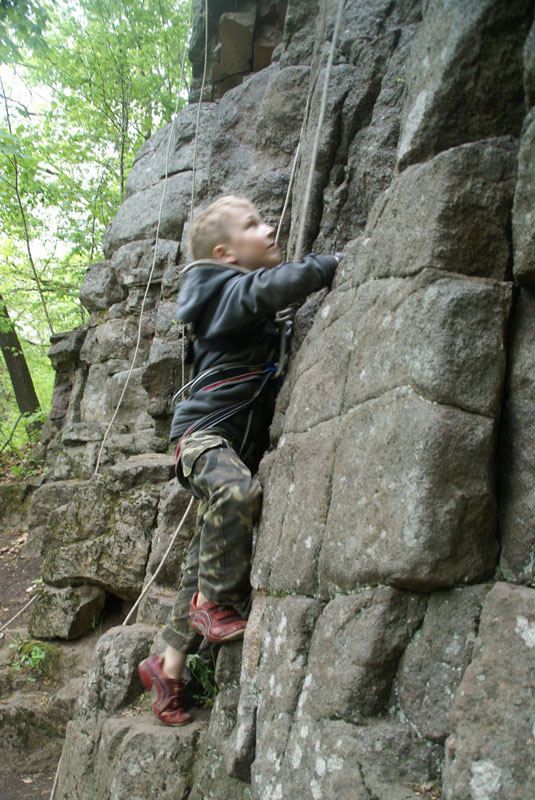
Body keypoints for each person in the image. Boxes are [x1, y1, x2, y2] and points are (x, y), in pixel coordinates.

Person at [138, 195, 342, 725]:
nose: (269, 228)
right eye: (254, 225)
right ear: (226, 253)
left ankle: (168, 669)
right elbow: (265, 288)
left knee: (200, 564)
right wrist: (327, 267)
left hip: (221, 443)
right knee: (237, 491)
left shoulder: (229, 296)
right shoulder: (220, 294)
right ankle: (216, 607)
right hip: (202, 440)